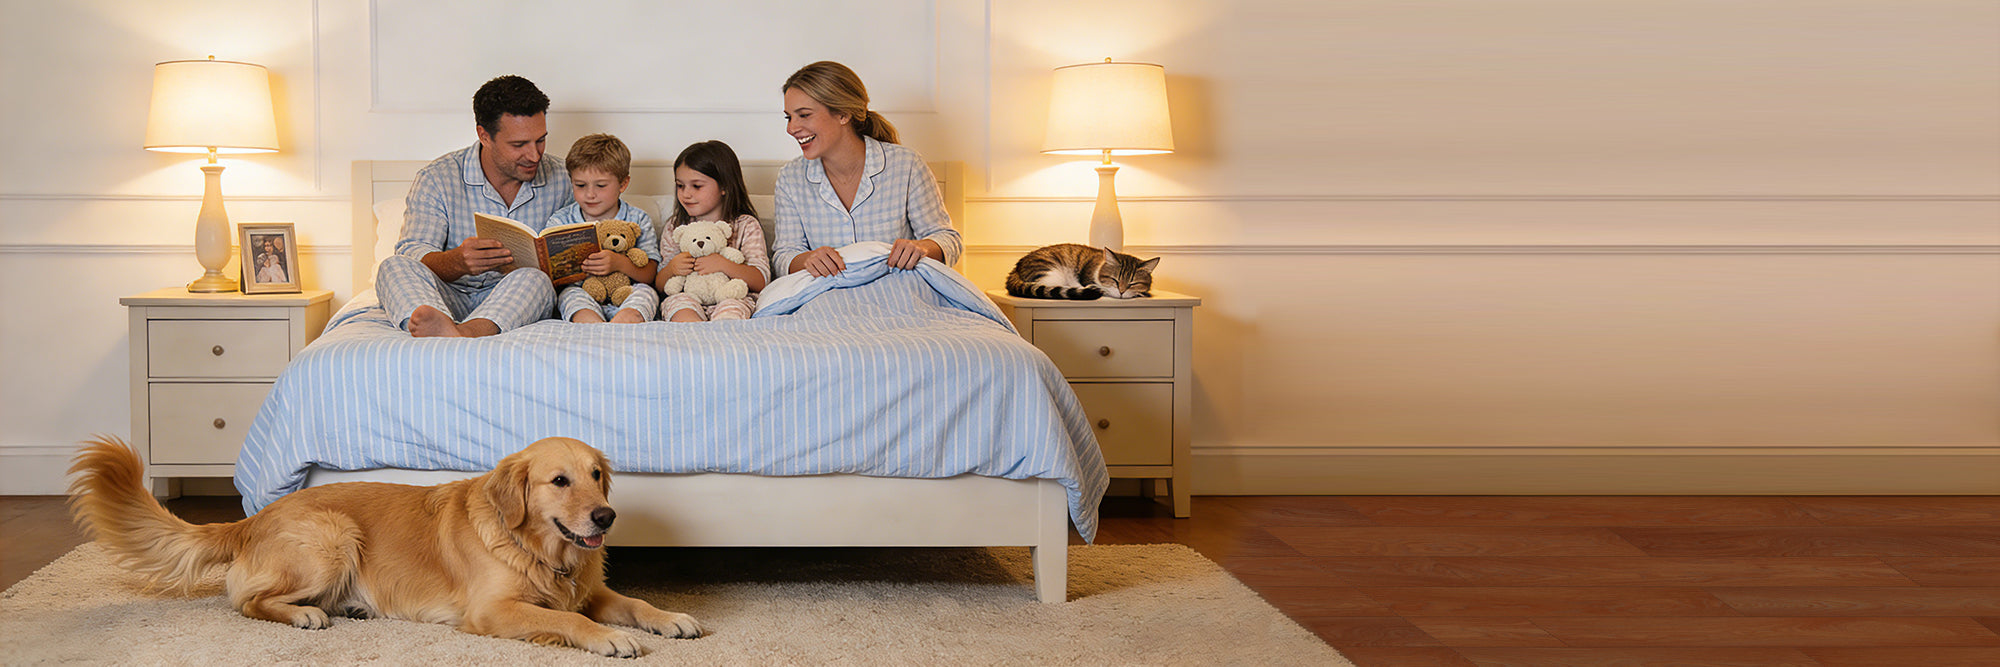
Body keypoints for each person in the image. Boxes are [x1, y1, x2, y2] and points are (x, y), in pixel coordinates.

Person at [374, 75, 573, 337]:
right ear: (484, 136)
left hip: (515, 300)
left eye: (540, 140)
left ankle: (462, 334)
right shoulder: (437, 178)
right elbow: (413, 251)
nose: (534, 155)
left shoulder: (566, 179)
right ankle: (441, 325)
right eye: (519, 145)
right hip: (446, 297)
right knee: (393, 266)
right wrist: (456, 262)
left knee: (536, 279)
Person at [771, 61, 961, 278]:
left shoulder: (906, 165)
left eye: (804, 115)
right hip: (828, 294)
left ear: (843, 114)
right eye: (789, 117)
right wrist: (809, 259)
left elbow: (947, 238)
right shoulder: (791, 178)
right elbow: (784, 255)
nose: (791, 128)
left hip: (901, 291)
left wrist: (922, 248)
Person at [552, 134, 660, 323]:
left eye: (601, 185)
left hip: (627, 290)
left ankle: (623, 323)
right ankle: (593, 326)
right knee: (569, 295)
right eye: (580, 185)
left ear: (623, 184)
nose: (590, 194)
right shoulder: (561, 220)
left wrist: (620, 263)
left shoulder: (638, 219)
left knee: (646, 292)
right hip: (583, 291)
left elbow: (650, 274)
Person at [655, 141, 768, 322]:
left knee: (731, 311)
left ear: (724, 186)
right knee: (680, 307)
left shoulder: (745, 225)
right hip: (688, 298)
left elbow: (761, 280)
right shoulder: (676, 227)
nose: (686, 194)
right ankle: (691, 336)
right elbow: (660, 284)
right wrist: (672, 268)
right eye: (680, 185)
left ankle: (721, 337)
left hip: (731, 298)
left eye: (697, 186)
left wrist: (723, 264)